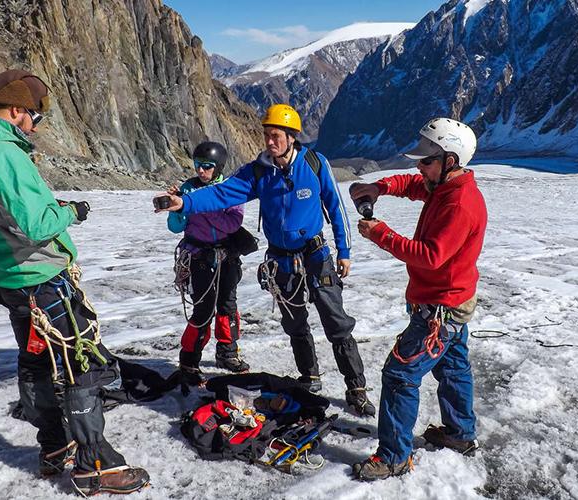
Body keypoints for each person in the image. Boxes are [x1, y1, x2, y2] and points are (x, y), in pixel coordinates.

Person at [0, 69, 149, 496]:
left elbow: (3, 213)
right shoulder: (2, 153)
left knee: (36, 360)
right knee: (81, 364)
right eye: (36, 118)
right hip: (41, 277)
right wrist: (70, 211)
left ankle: (54, 448)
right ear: (18, 110)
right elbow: (35, 223)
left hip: (8, 277)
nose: (36, 127)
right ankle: (96, 464)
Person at [154, 104, 375, 417]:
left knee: (336, 324)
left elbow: (336, 208)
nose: (269, 142)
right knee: (295, 324)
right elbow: (223, 194)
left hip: (316, 256)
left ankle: (356, 388)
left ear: (291, 137)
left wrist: (345, 251)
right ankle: (309, 377)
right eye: (267, 136)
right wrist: (184, 202)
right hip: (281, 262)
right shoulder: (258, 171)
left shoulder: (314, 164)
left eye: (276, 136)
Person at [349, 118, 487, 480]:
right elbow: (414, 184)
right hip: (454, 305)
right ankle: (459, 434)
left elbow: (430, 255)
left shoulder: (458, 204)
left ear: (450, 161)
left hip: (438, 311)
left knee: (399, 375)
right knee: (453, 368)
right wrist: (379, 187)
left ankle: (394, 456)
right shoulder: (446, 188)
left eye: (427, 160)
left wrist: (380, 233)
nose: (419, 166)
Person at [167, 141, 249, 383]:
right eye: (197, 166)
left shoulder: (230, 189)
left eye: (206, 166)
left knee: (227, 305)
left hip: (226, 257)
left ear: (218, 166)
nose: (200, 171)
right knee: (203, 308)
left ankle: (227, 353)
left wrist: (197, 206)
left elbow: (232, 223)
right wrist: (177, 208)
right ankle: (189, 360)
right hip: (199, 257)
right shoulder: (187, 189)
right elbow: (175, 227)